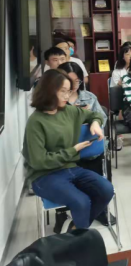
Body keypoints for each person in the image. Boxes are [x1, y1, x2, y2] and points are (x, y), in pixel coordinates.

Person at [23, 69, 112, 232]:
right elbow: (39, 161)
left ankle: (76, 229)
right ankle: (79, 238)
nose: (67, 96)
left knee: (106, 190)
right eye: (62, 91)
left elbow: (95, 115)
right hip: (44, 176)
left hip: (71, 168)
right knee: (81, 202)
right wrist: (73, 150)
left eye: (69, 91)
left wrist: (95, 122)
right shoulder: (35, 122)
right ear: (49, 91)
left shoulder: (69, 111)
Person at [55, 62, 111, 231]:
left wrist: (93, 121)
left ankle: (97, 210)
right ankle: (63, 213)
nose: (73, 86)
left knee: (99, 169)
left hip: (89, 149)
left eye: (77, 81)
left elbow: (101, 117)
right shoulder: (55, 100)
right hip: (65, 151)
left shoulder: (89, 97)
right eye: (69, 81)